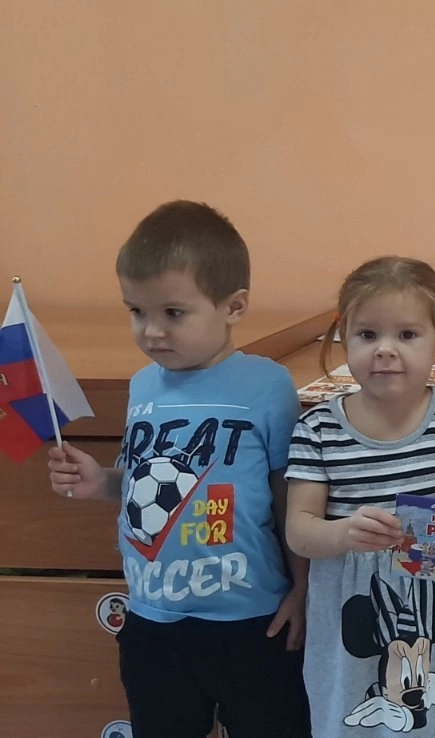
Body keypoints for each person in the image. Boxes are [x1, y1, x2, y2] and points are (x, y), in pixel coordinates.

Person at [46, 200, 311, 737]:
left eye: (173, 313)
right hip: (153, 619)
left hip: (250, 618)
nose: (151, 332)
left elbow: (289, 494)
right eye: (136, 311)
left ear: (233, 307)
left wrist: (302, 590)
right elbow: (145, 484)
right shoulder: (143, 385)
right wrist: (102, 482)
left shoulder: (268, 384)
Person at [284, 256, 435, 736]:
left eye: (406, 335)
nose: (384, 350)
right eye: (367, 334)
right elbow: (299, 529)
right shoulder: (318, 428)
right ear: (344, 340)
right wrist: (342, 534)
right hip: (350, 622)